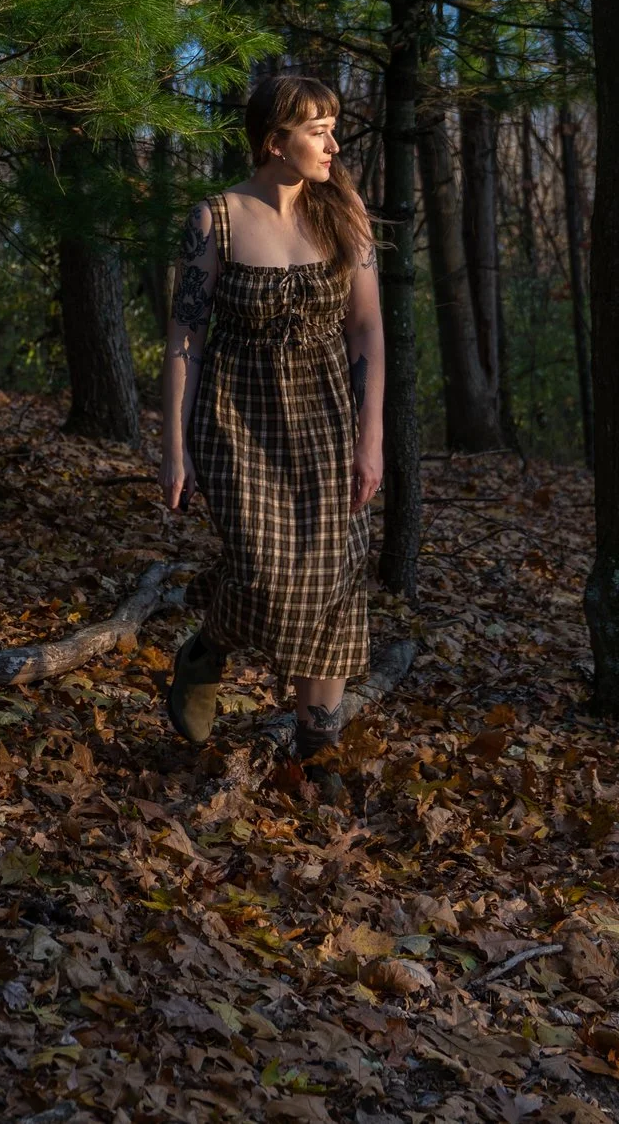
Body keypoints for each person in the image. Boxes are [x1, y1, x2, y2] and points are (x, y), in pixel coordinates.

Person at [158, 73, 385, 781]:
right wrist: (174, 449)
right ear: (274, 140)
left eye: (333, 127)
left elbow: (368, 332)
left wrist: (370, 436)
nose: (333, 143)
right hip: (239, 420)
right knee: (263, 569)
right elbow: (184, 338)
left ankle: (319, 746)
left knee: (336, 570)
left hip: (324, 420)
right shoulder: (215, 219)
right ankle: (209, 647)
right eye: (318, 130)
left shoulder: (343, 215)